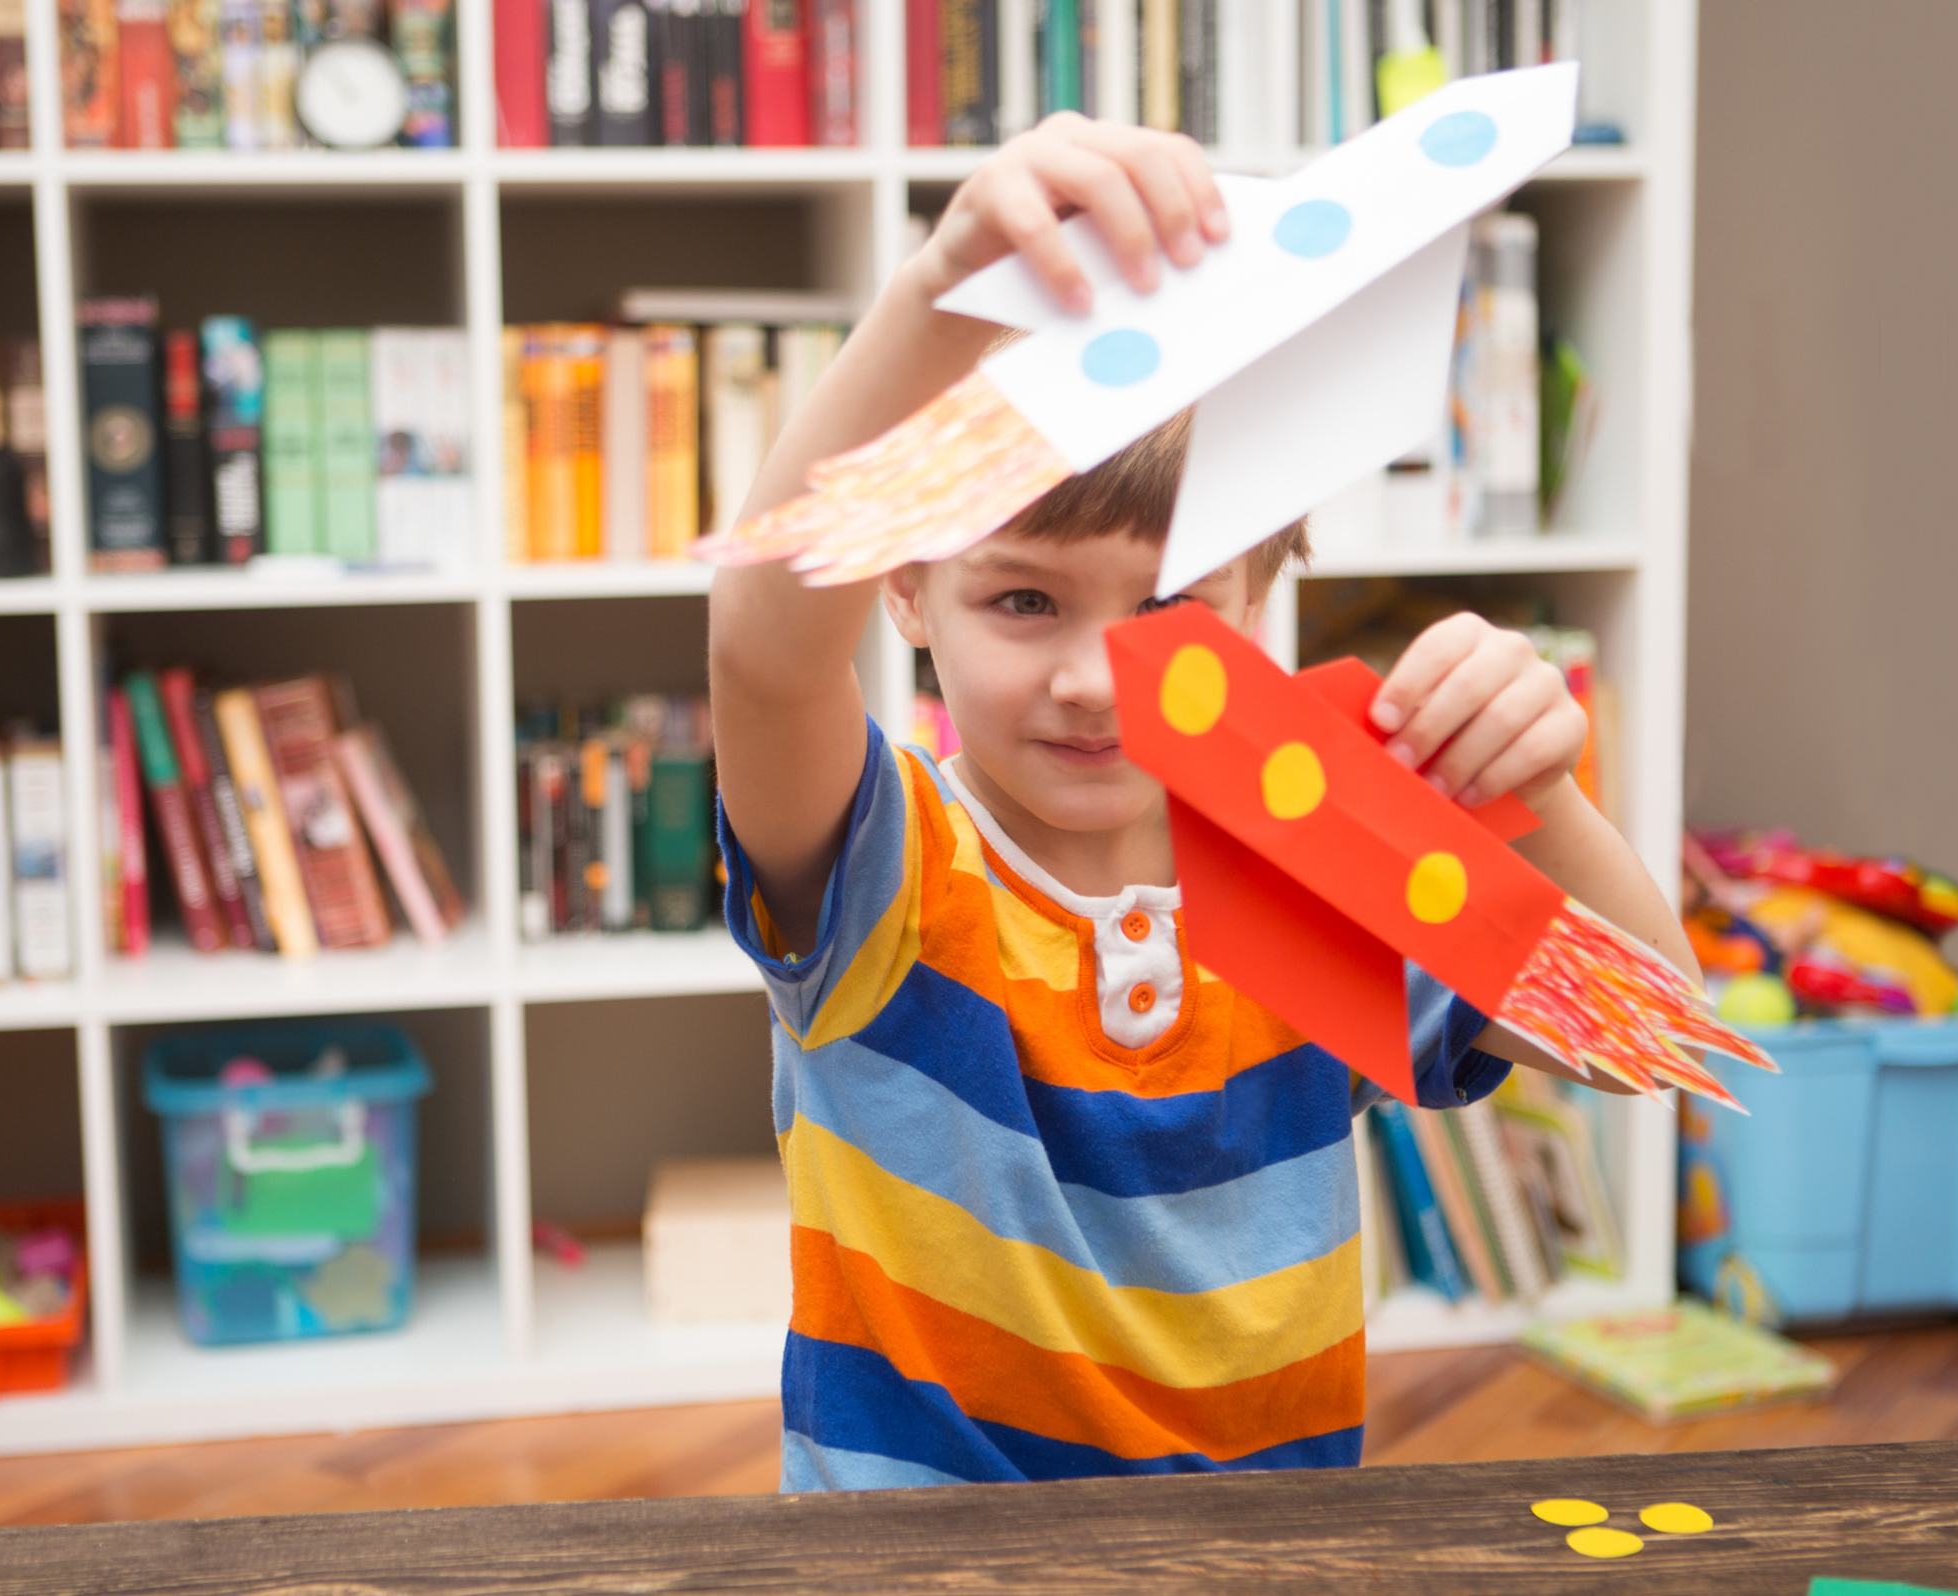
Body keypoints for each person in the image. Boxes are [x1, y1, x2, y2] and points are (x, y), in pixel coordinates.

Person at [708, 112, 1699, 1491]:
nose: (1097, 682)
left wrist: (1546, 802)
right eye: (1021, 599)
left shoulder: (1324, 845)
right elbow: (759, 648)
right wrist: (936, 292)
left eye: (1171, 603)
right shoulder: (888, 866)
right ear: (902, 584)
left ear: (1268, 577)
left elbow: (1645, 1042)